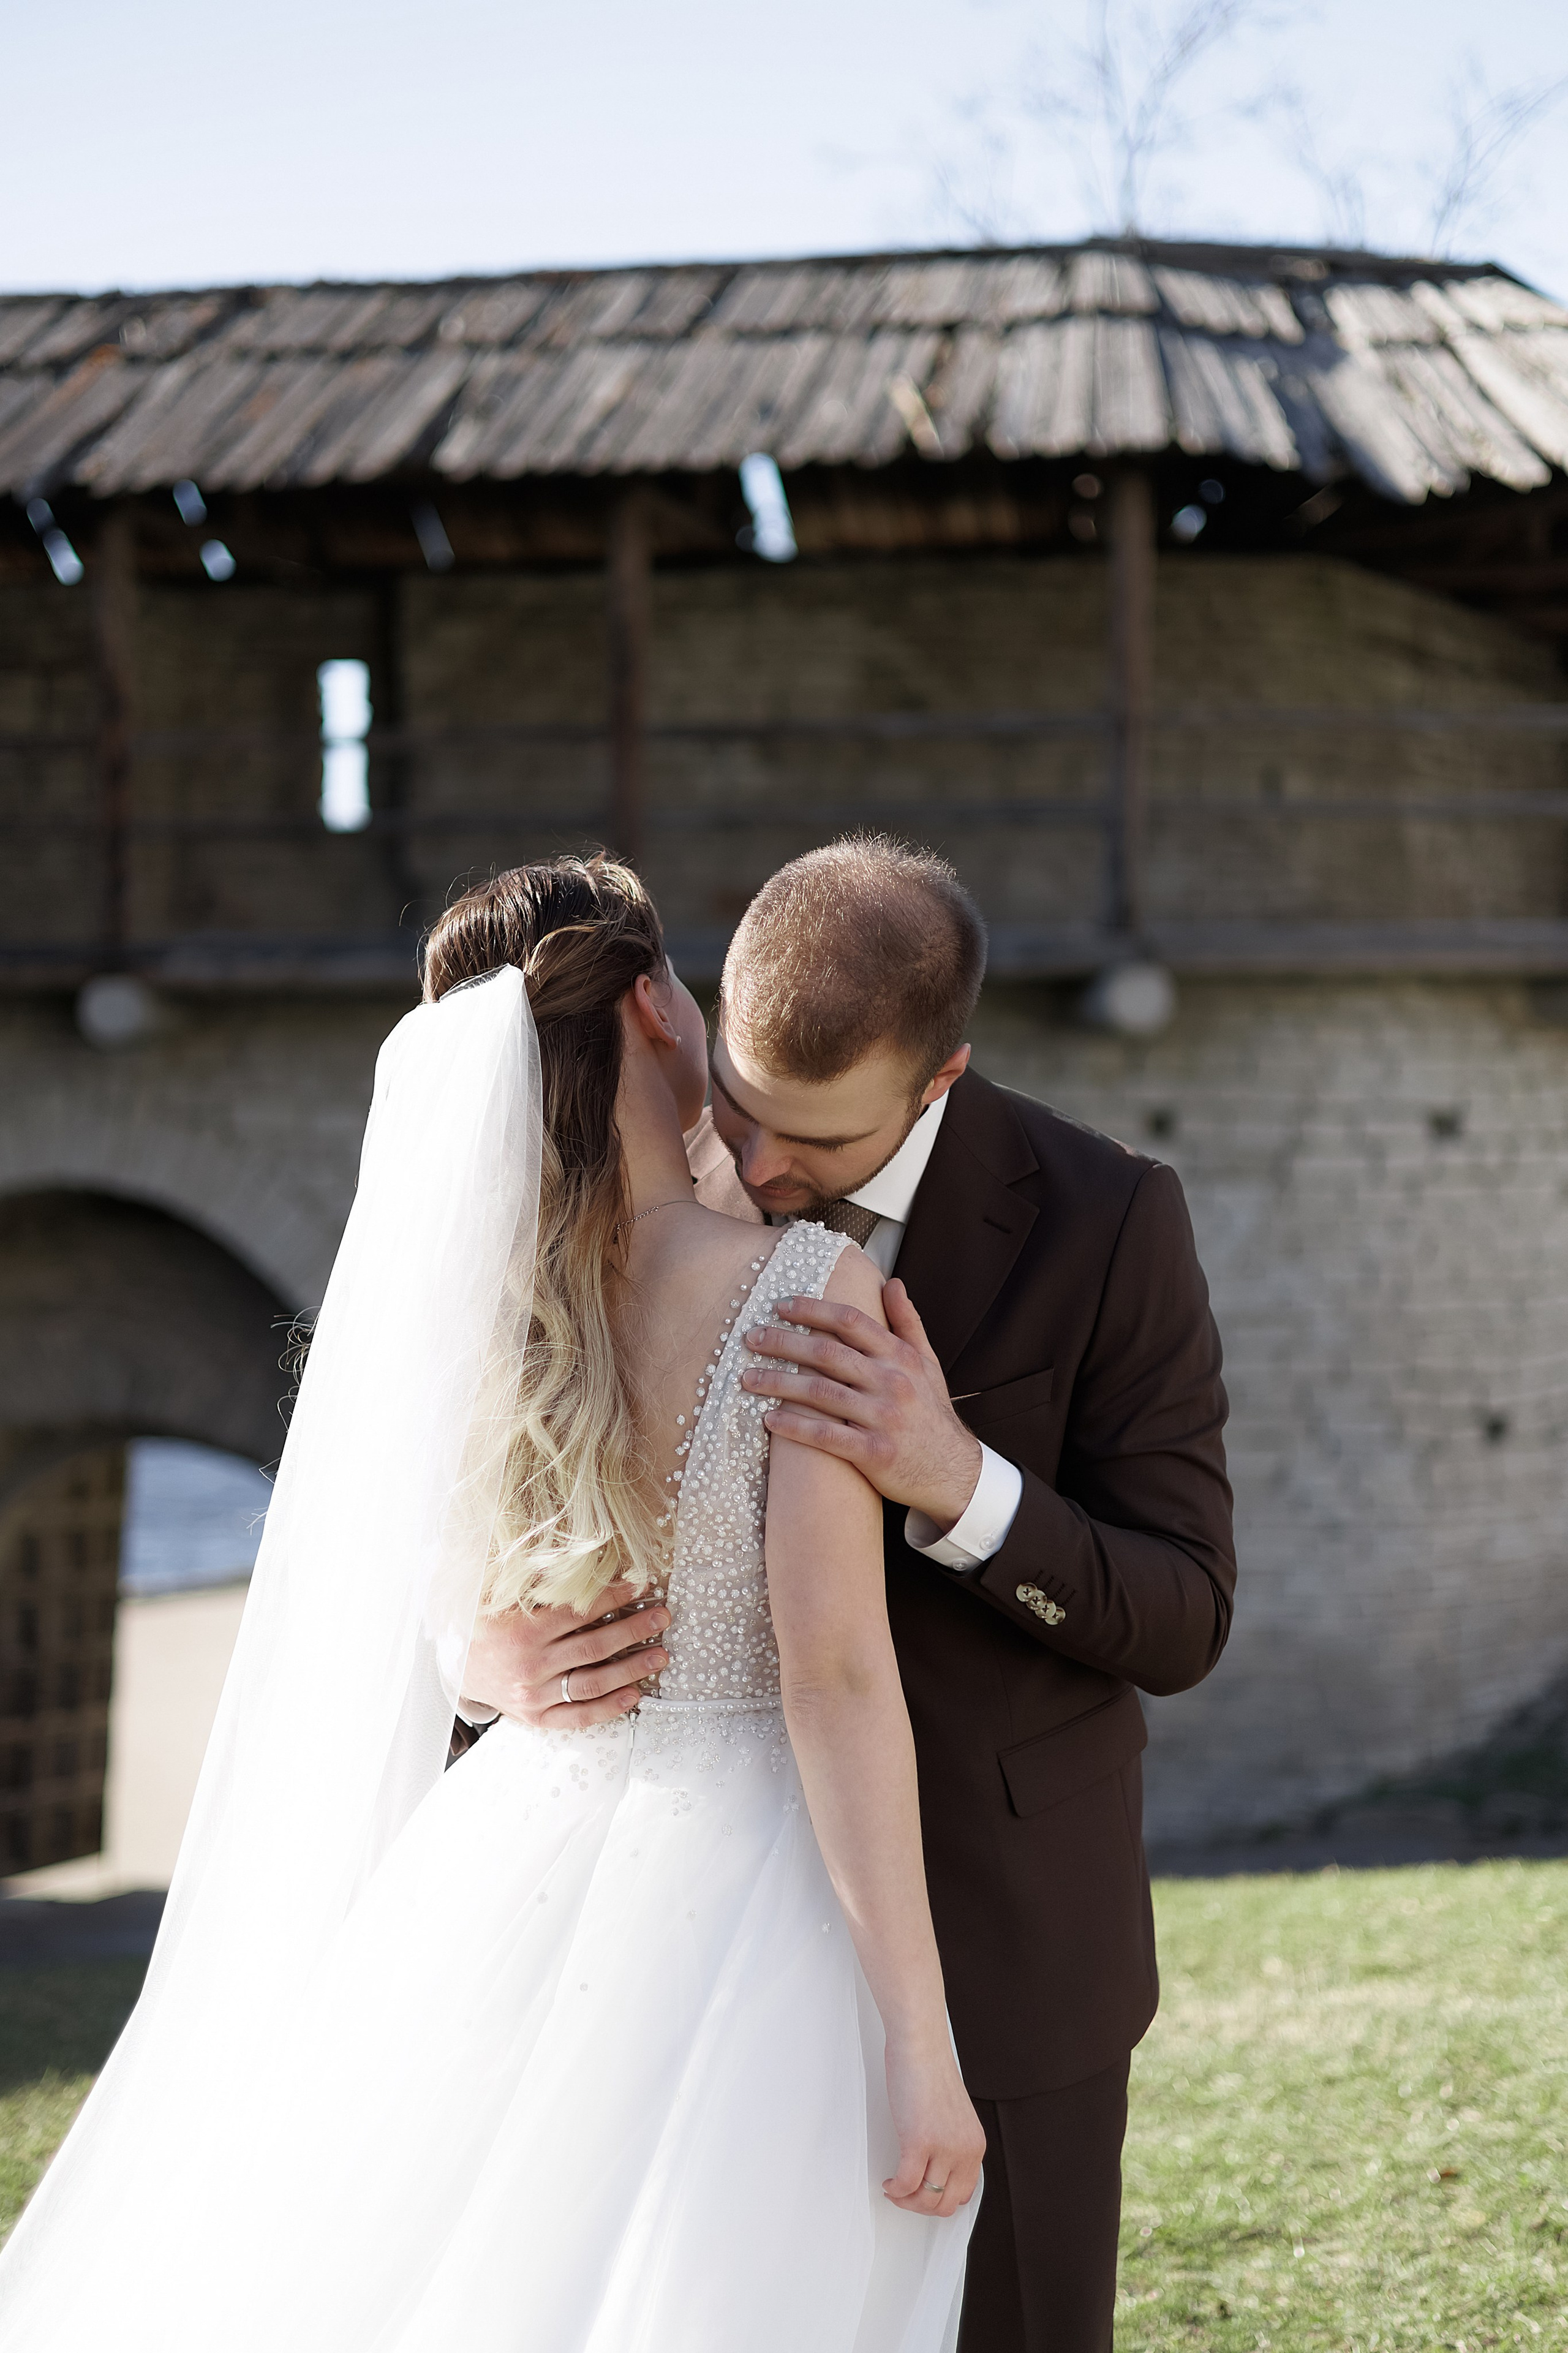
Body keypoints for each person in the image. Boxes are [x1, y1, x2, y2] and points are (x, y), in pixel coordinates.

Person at [0, 856, 982, 2353]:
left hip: (513, 1838)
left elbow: (396, 1568)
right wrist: (922, 2040)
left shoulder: (489, 1309)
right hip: (745, 1887)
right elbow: (834, 1676)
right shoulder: (802, 1290)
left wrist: (474, 1659)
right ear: (660, 1008)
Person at [463, 836, 1237, 2353]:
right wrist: (481, 1659)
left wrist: (959, 1482)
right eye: (738, 1110)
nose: (750, 1169)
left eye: (808, 1146)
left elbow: (1184, 1609)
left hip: (1010, 1953)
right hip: (676, 1955)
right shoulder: (619, 1167)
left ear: (936, 1080)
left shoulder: (1108, 1221)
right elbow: (455, 1481)